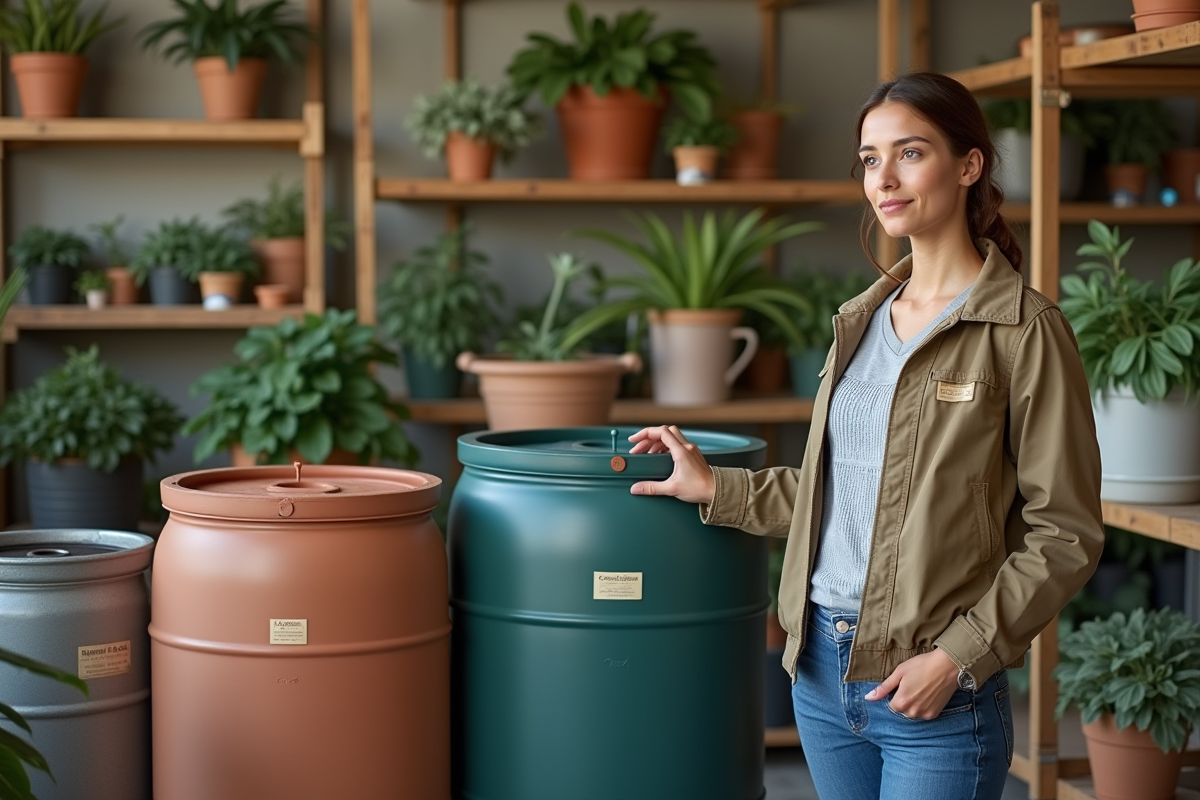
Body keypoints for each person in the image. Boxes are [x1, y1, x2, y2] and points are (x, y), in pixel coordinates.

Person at [625, 72, 1104, 800]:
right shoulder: (861, 322)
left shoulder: (1024, 330)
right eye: (871, 159)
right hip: (818, 674)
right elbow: (847, 491)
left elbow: (1064, 532)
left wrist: (958, 657)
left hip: (936, 693)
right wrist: (715, 486)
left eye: (910, 153)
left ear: (969, 164)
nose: (884, 177)